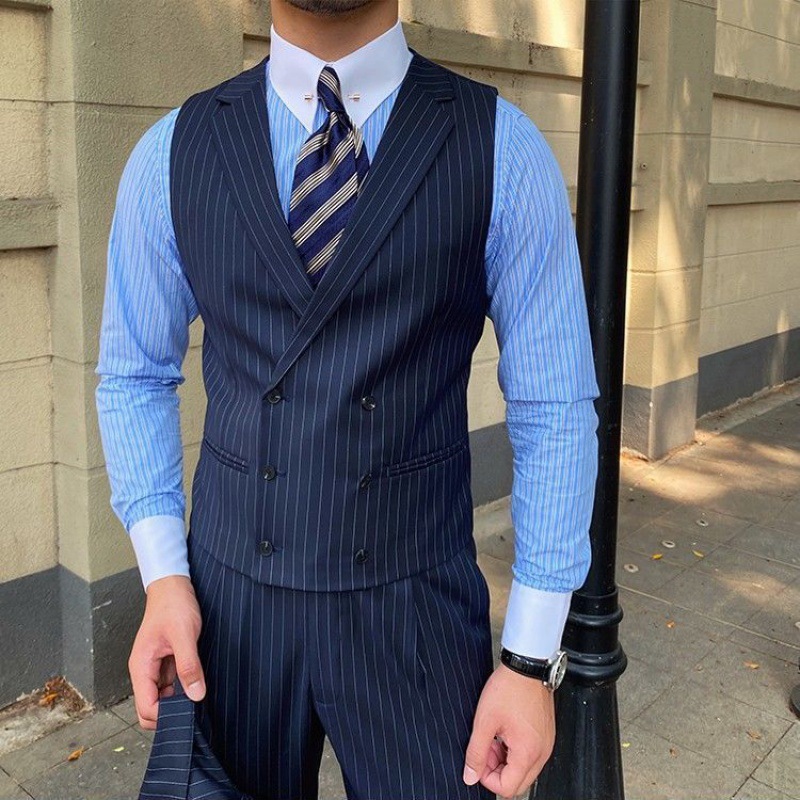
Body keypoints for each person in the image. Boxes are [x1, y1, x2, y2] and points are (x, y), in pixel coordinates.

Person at [94, 1, 601, 798]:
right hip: (228, 610)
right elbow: (134, 374)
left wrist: (530, 661)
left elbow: (556, 405)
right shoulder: (171, 153)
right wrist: (163, 578)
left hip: (417, 610)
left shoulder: (503, 149)